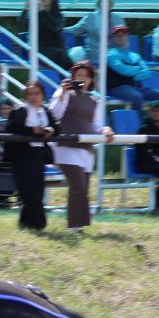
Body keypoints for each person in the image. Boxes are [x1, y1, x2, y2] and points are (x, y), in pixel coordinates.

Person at [49, 61, 111, 231]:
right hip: (65, 145)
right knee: (78, 186)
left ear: (91, 80)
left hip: (86, 148)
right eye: (78, 75)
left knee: (83, 188)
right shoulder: (64, 93)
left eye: (85, 76)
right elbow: (54, 114)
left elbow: (96, 125)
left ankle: (78, 225)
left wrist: (105, 129)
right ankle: (75, 226)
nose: (82, 79)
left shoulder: (95, 100)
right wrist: (62, 92)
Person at [6, 80, 56, 231]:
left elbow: (56, 127)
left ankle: (30, 223)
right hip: (23, 155)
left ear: (43, 95)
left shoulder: (46, 112)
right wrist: (32, 131)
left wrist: (50, 131)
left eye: (37, 93)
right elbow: (12, 128)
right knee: (27, 191)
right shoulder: (20, 110)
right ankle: (36, 223)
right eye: (30, 93)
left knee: (37, 189)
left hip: (39, 155)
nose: (34, 97)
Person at [105, 27, 159, 112]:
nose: (121, 38)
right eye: (118, 36)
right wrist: (137, 70)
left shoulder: (135, 55)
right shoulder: (110, 55)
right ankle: (139, 124)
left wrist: (133, 75)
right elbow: (124, 71)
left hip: (135, 87)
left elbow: (147, 73)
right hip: (117, 88)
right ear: (113, 38)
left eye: (124, 36)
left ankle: (154, 121)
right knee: (137, 96)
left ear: (127, 37)